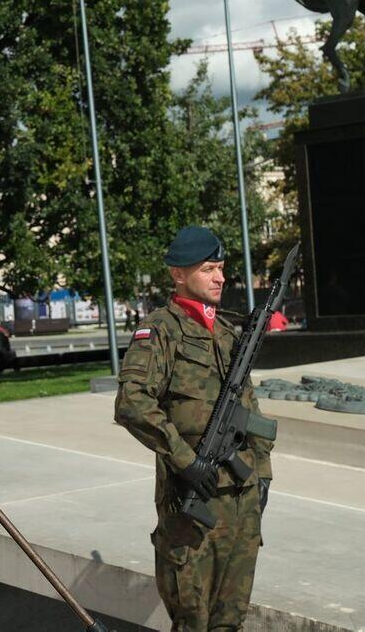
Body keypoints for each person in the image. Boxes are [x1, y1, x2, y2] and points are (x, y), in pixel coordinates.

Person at [114, 226, 274, 632]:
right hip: (192, 503)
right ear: (178, 274)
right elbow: (132, 402)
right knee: (193, 622)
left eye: (221, 268)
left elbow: (249, 409)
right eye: (208, 269)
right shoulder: (160, 331)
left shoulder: (228, 333)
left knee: (230, 621)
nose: (220, 278)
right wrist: (186, 461)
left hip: (241, 500)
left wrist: (263, 474)